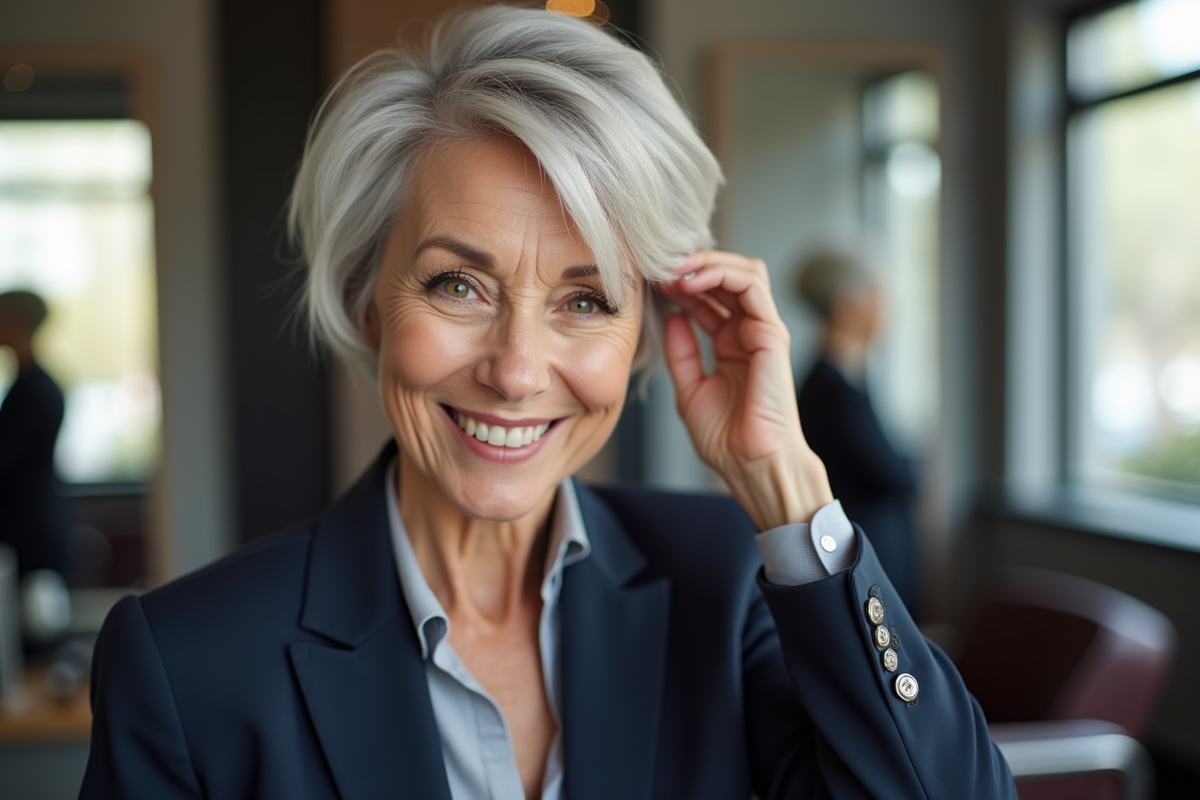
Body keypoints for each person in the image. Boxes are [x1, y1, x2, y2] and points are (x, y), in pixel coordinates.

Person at [80, 7, 1015, 799]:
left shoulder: (729, 589)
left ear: (648, 327)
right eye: (458, 286)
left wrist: (786, 482)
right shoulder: (186, 663)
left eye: (585, 300)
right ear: (370, 301)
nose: (518, 370)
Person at [795, 250, 921, 610]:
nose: (887, 309)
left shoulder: (850, 383)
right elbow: (895, 474)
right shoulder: (833, 393)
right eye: (878, 296)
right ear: (847, 305)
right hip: (861, 575)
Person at [0, 290, 71, 582]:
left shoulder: (33, 391)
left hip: (31, 532)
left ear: (16, 323)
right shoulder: (32, 385)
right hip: (33, 524)